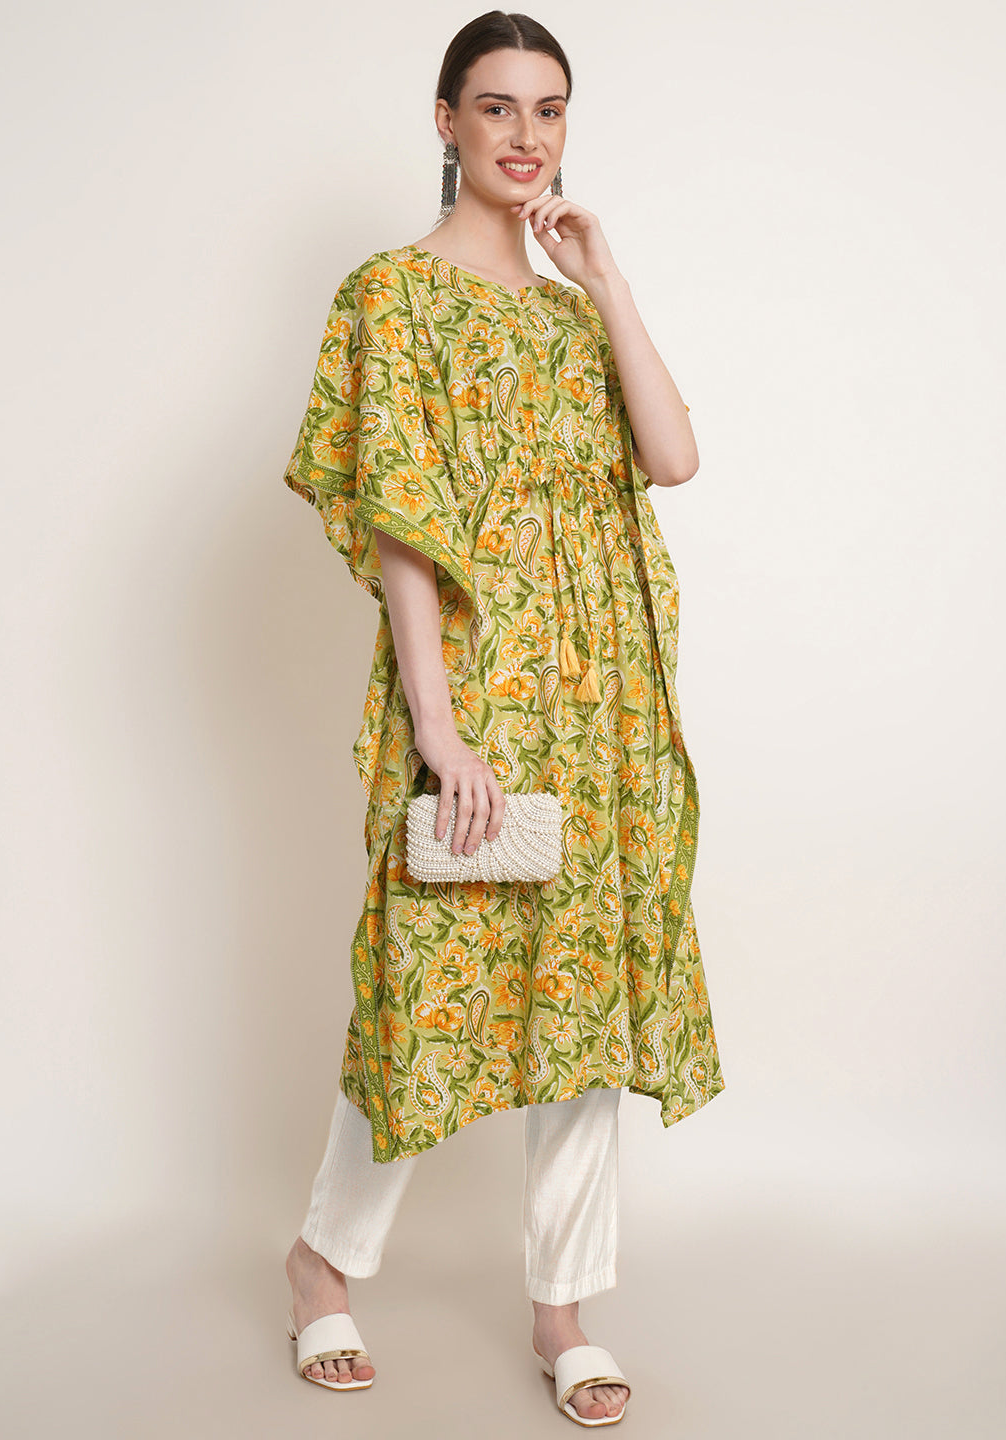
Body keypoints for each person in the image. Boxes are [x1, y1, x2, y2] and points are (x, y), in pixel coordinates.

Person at [280, 10, 725, 1425]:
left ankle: (563, 1310)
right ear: (445, 120)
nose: (525, 137)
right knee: (428, 985)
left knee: (582, 999)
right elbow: (402, 530)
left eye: (549, 110)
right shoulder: (390, 297)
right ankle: (323, 1261)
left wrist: (606, 277)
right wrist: (440, 727)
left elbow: (672, 457)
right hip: (472, 688)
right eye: (496, 107)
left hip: (600, 696)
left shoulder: (571, 312)